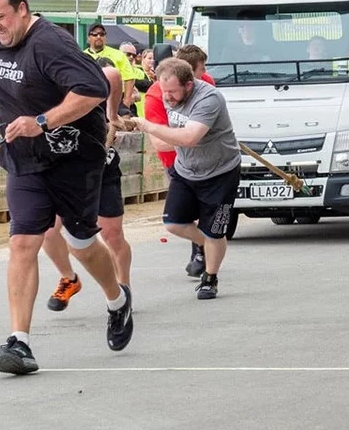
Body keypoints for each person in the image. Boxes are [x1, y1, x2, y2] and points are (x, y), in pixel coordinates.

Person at [0, 0, 133, 375]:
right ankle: (19, 342)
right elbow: (10, 97)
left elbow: (95, 89)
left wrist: (42, 121)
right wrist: (14, 125)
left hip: (74, 159)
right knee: (22, 241)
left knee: (81, 241)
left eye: (1, 16)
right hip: (26, 160)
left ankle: (117, 299)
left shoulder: (49, 43)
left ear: (22, 9)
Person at [127, 57, 241, 300]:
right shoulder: (161, 92)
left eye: (172, 92)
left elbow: (190, 137)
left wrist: (148, 127)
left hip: (220, 172)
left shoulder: (208, 99)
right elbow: (164, 140)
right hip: (186, 169)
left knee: (215, 232)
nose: (166, 97)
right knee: (173, 223)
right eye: (163, 90)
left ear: (189, 85)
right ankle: (205, 245)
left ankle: (210, 278)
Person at [40, 57, 132, 311]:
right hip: (64, 172)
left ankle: (123, 289)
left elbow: (112, 73)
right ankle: (69, 278)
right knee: (48, 230)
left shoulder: (83, 79)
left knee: (111, 233)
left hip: (100, 168)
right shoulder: (36, 88)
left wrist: (112, 114)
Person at [144, 43, 216, 276]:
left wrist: (199, 135)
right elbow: (159, 141)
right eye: (199, 72)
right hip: (175, 160)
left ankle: (203, 252)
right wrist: (190, 137)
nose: (201, 78)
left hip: (206, 159)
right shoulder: (155, 95)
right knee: (180, 215)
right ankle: (202, 245)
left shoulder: (207, 85)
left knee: (206, 208)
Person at [83, 23, 137, 114]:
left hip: (115, 98)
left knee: (122, 121)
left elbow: (129, 79)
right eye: (95, 34)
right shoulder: (83, 56)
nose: (99, 37)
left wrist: (126, 101)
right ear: (89, 38)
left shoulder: (118, 55)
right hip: (92, 98)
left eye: (102, 34)